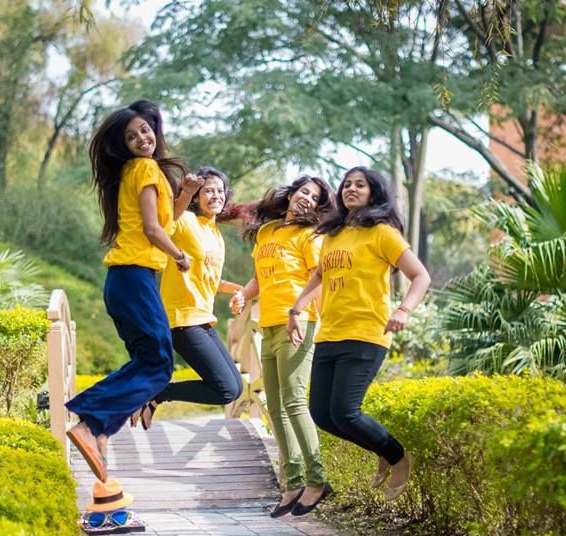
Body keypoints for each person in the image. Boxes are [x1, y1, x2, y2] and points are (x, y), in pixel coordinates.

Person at [65, 100, 200, 482]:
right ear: (123, 145)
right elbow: (155, 231)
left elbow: (164, 220)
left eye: (145, 130)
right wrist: (179, 257)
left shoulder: (140, 170)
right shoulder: (143, 168)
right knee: (159, 365)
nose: (142, 138)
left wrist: (186, 194)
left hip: (129, 281)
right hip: (134, 277)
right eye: (131, 136)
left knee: (148, 362)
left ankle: (98, 430)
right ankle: (90, 419)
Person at [287, 167, 431, 506]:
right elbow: (319, 275)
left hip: (367, 332)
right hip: (330, 333)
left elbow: (420, 276)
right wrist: (296, 309)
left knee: (346, 411)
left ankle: (396, 456)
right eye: (347, 184)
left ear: (373, 192)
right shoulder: (333, 234)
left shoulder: (382, 233)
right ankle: (381, 450)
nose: (352, 189)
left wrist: (403, 311)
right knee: (322, 414)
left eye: (360, 185)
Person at [230, 175, 335, 518]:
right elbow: (261, 276)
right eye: (303, 191)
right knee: (275, 406)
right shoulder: (266, 232)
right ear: (291, 195)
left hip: (299, 322)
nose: (306, 198)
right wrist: (243, 295)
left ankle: (317, 480)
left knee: (293, 399)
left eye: (315, 197)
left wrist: (298, 311)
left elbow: (320, 280)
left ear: (319, 208)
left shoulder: (311, 236)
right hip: (269, 323)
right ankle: (292, 484)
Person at [133, 166, 245, 428]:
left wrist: (238, 290)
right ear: (197, 196)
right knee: (225, 389)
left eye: (220, 191)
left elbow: (209, 279)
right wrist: (184, 192)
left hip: (203, 319)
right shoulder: (185, 221)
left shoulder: (216, 234)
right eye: (208, 191)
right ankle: (157, 393)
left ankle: (156, 396)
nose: (215, 195)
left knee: (236, 389)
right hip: (181, 318)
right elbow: (165, 221)